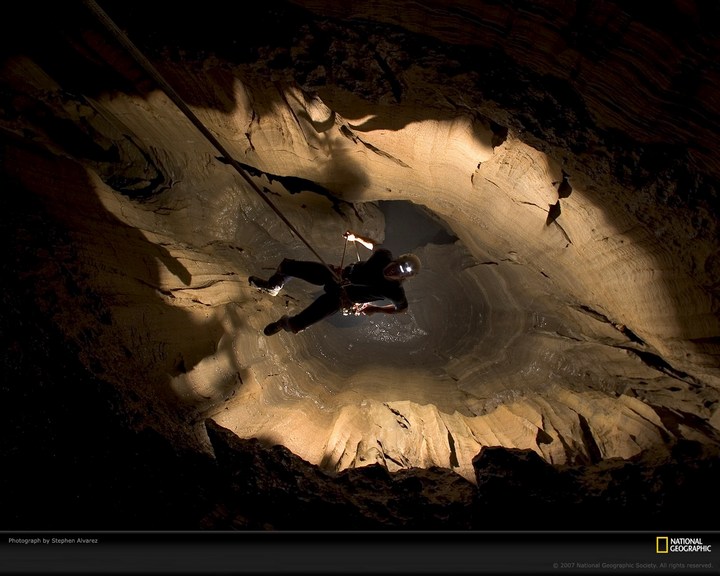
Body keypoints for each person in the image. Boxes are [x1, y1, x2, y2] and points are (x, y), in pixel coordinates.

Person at [249, 231, 421, 336]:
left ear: (403, 277)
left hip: (342, 298)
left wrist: (376, 309)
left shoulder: (395, 291)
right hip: (336, 276)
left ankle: (283, 323)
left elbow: (403, 309)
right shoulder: (384, 256)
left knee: (297, 325)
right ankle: (273, 287)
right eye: (397, 265)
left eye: (400, 272)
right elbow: (374, 245)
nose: (395, 270)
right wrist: (356, 237)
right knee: (287, 266)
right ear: (398, 259)